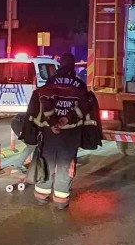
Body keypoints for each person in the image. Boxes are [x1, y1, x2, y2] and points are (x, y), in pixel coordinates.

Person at [26, 53, 89, 209]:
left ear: (60, 65)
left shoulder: (51, 81)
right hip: (70, 133)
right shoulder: (80, 85)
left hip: (49, 132)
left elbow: (44, 105)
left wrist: (53, 123)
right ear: (73, 66)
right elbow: (85, 107)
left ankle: (42, 195)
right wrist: (66, 119)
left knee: (47, 160)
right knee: (65, 165)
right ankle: (61, 201)